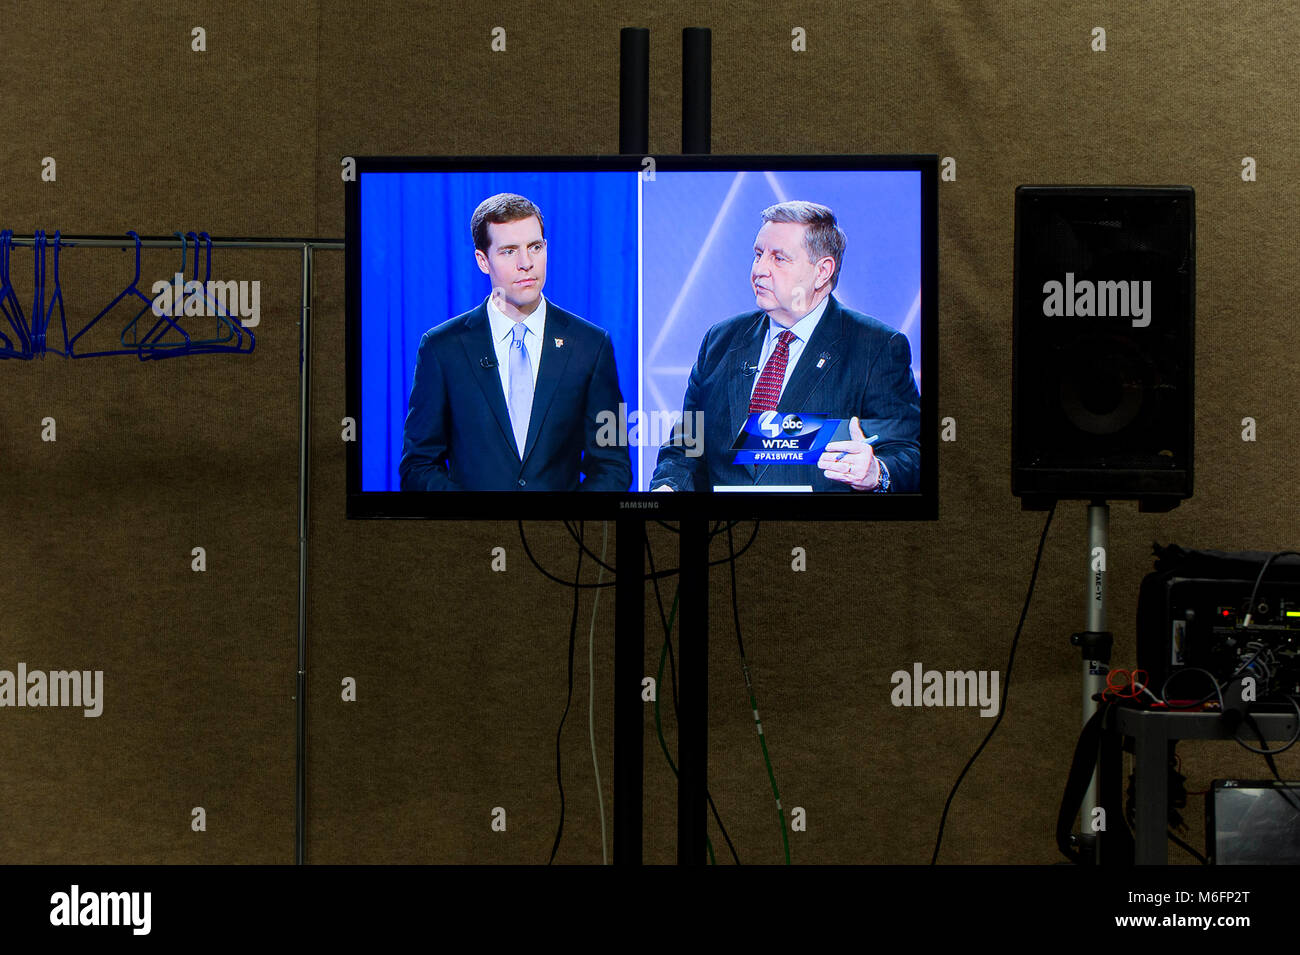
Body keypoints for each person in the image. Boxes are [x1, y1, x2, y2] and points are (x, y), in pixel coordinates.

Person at [650, 200, 920, 492]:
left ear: (822, 271)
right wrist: (668, 490)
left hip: (821, 532)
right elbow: (686, 448)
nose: (759, 270)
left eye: (778, 258)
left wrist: (877, 473)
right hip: (723, 533)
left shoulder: (876, 347)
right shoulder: (720, 341)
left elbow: (910, 455)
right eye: (758, 254)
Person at [400, 193, 632, 491]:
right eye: (509, 251)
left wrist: (565, 522)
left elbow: (613, 465)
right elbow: (418, 465)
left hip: (562, 535)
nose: (526, 263)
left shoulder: (589, 345)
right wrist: (475, 520)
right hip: (472, 535)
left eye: (535, 247)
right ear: (483, 261)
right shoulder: (443, 347)